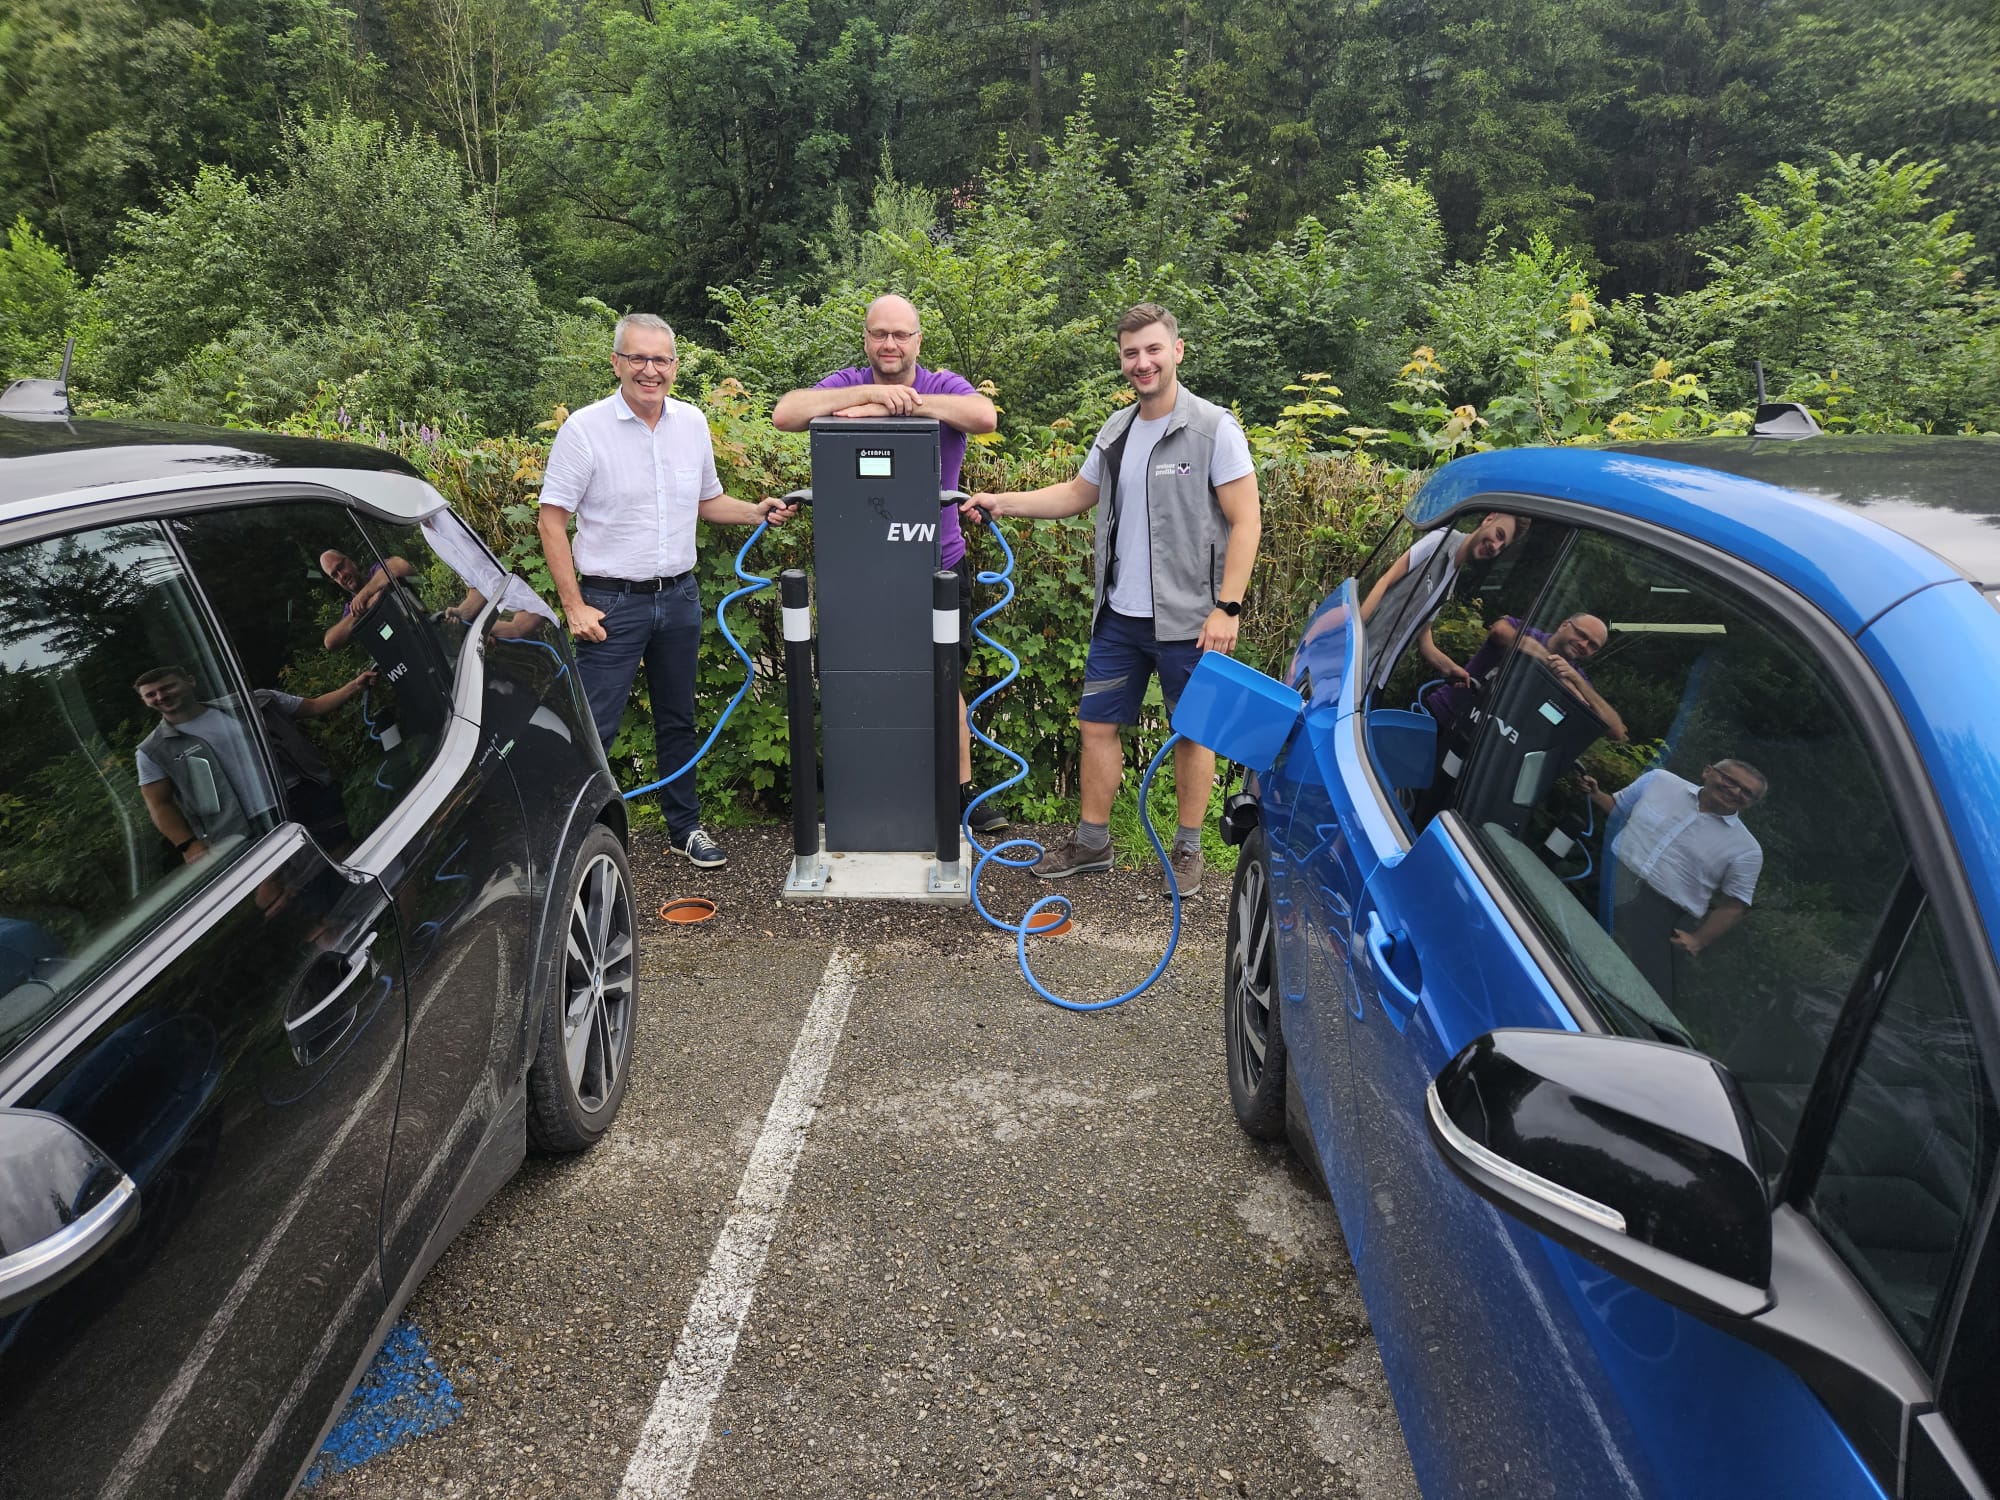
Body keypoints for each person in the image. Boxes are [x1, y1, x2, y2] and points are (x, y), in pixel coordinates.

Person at [961, 303, 1261, 896]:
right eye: (1131, 353)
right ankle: (1093, 843)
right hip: (1119, 615)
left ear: (1176, 350)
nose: (1142, 362)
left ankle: (1188, 851)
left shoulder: (1212, 428)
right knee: (1096, 725)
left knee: (1192, 731)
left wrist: (1227, 608)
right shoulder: (1117, 430)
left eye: (1153, 349)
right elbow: (1078, 493)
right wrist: (1004, 500)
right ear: (1121, 360)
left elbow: (1246, 519)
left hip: (1192, 618)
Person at [537, 313, 796, 869]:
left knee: (678, 717)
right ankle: (576, 839)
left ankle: (684, 828)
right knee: (594, 727)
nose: (650, 370)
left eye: (661, 360)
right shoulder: (585, 429)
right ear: (617, 363)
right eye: (638, 358)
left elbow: (706, 502)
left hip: (678, 597)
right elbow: (551, 520)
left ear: (675, 366)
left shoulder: (692, 423)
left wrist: (755, 510)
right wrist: (574, 606)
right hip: (610, 603)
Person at [772, 293, 1005, 830]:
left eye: (901, 334)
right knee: (865, 676)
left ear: (918, 338)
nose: (890, 343)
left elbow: (983, 416)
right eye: (880, 334)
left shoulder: (944, 384)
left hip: (937, 565)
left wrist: (899, 405)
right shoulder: (845, 381)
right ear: (866, 338)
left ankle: (962, 800)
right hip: (859, 567)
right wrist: (871, 393)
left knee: (943, 682)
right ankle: (874, 795)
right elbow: (788, 412)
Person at [1583, 760, 1767, 1002]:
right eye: (1731, 781)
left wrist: (1699, 940)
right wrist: (1595, 794)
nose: (1735, 791)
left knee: (1628, 993)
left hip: (1657, 915)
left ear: (1751, 803)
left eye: (1747, 793)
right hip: (1604, 878)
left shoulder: (1747, 849)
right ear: (1707, 771)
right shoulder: (1660, 781)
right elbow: (1618, 809)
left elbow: (1734, 905)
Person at [1359, 513, 1527, 684]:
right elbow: (1385, 580)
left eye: (1501, 547)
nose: (1495, 547)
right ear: (1488, 520)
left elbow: (1423, 634)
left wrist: (1450, 668)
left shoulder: (1451, 579)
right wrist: (1352, 638)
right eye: (1499, 534)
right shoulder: (1440, 541)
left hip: (1375, 678)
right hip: (1358, 661)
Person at [1427, 612, 1626, 742]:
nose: (1584, 645)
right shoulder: (1526, 631)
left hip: (1485, 749)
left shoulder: (1575, 677)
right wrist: (1551, 665)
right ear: (1564, 625)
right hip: (1443, 716)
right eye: (1582, 635)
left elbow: (1616, 732)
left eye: (1593, 646)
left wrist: (1579, 684)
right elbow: (1499, 631)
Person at [320, 548, 416, 650]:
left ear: (351, 561)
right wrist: (364, 606)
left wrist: (365, 594)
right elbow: (330, 642)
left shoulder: (377, 571)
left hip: (421, 633)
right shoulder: (351, 609)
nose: (342, 575)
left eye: (341, 567)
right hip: (398, 657)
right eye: (335, 575)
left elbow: (401, 566)